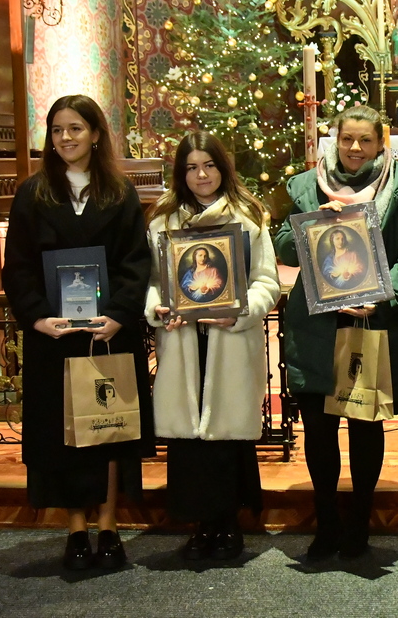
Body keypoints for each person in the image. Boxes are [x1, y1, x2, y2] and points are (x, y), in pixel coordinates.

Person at [2, 94, 154, 571]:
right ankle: (75, 530)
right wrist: (37, 317)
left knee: (109, 432)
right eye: (57, 130)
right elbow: (19, 268)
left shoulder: (120, 193)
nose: (65, 138)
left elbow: (136, 265)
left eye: (75, 128)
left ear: (95, 134)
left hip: (108, 334)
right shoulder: (32, 193)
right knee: (63, 435)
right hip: (55, 337)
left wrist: (120, 314)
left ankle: (108, 526)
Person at [275, 105, 398, 561]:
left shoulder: (397, 187)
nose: (356, 149)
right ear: (334, 140)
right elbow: (279, 244)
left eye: (365, 140)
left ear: (381, 142)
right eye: (347, 140)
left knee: (364, 424)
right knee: (319, 429)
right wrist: (309, 226)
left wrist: (382, 293)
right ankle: (326, 522)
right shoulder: (304, 186)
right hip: (317, 325)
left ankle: (359, 520)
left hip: (370, 320)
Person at [145, 131, 281, 561]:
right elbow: (152, 282)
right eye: (191, 167)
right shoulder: (161, 223)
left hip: (228, 340)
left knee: (225, 437)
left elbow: (267, 281)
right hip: (183, 342)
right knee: (189, 441)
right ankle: (199, 525)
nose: (201, 175)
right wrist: (158, 308)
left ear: (223, 167)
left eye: (208, 165)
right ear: (180, 173)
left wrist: (239, 312)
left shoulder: (248, 217)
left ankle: (227, 524)